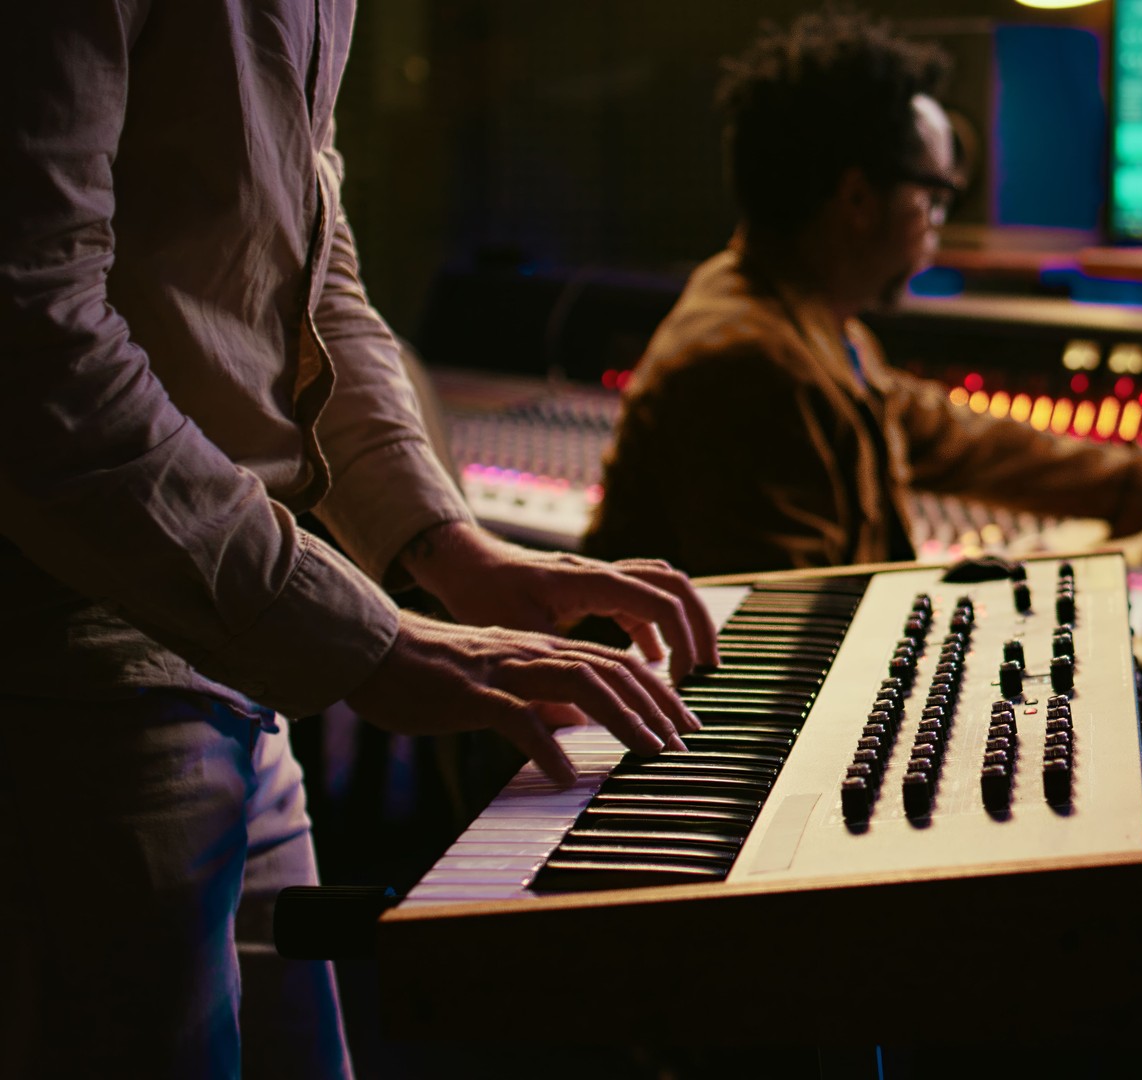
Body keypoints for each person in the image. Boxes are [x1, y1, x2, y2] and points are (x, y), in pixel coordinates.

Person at [0, 5, 716, 1078]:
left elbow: (314, 281)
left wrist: (449, 549)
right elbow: (31, 341)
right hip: (75, 668)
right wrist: (370, 641)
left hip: (236, 641)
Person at [584, 9, 1142, 577]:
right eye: (935, 196)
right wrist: (999, 579)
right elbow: (794, 645)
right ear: (856, 198)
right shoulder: (751, 362)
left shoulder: (809, 324)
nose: (939, 223)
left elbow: (955, 438)